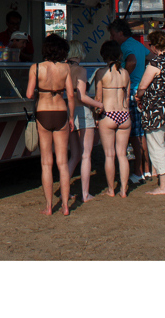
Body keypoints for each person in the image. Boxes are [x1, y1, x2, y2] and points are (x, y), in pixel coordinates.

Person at [26, 33, 75, 215]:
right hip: (61, 112)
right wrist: (71, 117)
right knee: (62, 163)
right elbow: (70, 94)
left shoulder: (36, 68)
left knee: (46, 163)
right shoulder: (66, 68)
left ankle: (48, 206)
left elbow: (30, 94)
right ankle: (65, 206)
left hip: (43, 112)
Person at [135, 30, 165, 194]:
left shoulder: (155, 64)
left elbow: (142, 86)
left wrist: (139, 97)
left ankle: (163, 185)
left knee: (156, 146)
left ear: (154, 46)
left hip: (156, 111)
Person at [108, 18, 151, 183]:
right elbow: (152, 56)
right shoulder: (138, 44)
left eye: (113, 35)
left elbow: (132, 61)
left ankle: (138, 171)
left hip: (131, 92)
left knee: (134, 136)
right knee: (142, 134)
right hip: (141, 90)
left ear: (120, 33)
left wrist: (121, 77)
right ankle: (147, 169)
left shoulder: (125, 46)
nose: (112, 38)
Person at [94, 40, 132, 197]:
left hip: (108, 114)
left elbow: (98, 100)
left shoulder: (101, 73)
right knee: (122, 155)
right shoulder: (125, 73)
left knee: (109, 155)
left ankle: (111, 189)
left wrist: (96, 117)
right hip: (124, 114)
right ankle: (124, 189)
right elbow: (127, 98)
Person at [66, 40, 101, 203]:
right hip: (82, 112)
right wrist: (99, 104)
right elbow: (82, 95)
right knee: (86, 155)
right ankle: (85, 194)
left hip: (68, 112)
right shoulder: (80, 70)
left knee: (74, 156)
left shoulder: (63, 69)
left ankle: (63, 192)